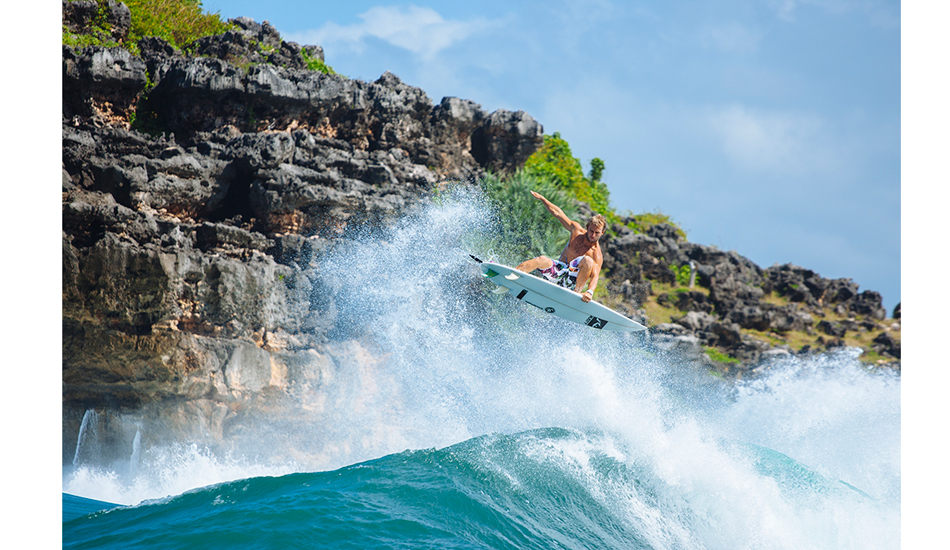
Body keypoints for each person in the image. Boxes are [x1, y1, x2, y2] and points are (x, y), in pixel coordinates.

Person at [515, 190, 606, 303]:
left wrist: (590, 292)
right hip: (558, 272)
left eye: (597, 233)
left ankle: (575, 294)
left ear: (602, 233)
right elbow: (558, 213)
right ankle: (514, 275)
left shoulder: (596, 254)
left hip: (571, 284)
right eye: (591, 231)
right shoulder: (576, 231)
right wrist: (543, 199)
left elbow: (595, 276)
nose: (593, 235)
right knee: (542, 259)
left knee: (588, 261)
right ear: (587, 227)